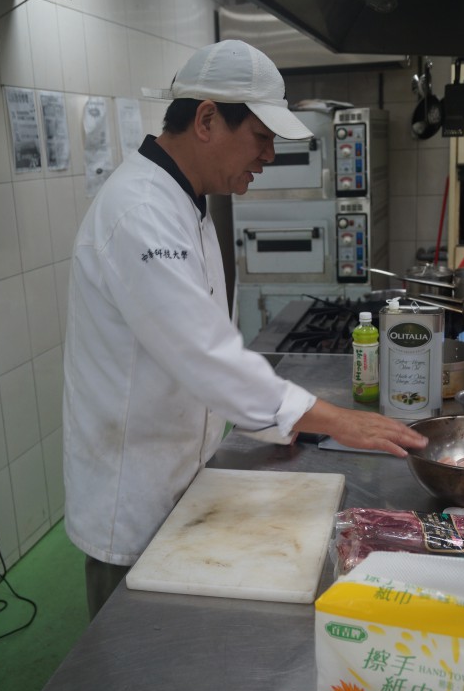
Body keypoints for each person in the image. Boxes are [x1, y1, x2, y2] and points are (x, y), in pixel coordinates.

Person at [63, 39, 427, 620]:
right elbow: (206, 356)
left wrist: (280, 423)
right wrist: (336, 421)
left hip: (185, 477)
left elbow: (204, 344)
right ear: (207, 120)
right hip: (133, 495)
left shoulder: (186, 200)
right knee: (130, 649)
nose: (269, 156)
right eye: (261, 137)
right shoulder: (139, 212)